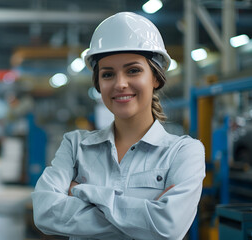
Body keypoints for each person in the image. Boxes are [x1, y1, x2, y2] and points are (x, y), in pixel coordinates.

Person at [31, 12, 205, 240]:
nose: (120, 84)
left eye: (133, 70)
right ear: (99, 83)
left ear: (155, 77)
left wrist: (80, 192)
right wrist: (145, 217)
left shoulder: (184, 152)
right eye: (108, 74)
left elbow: (168, 227)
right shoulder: (75, 146)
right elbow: (44, 212)